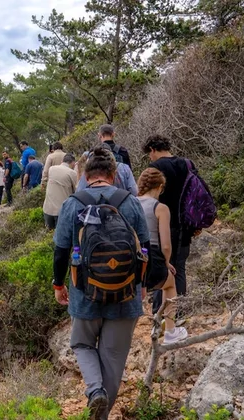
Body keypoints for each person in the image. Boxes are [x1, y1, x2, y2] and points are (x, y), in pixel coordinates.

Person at [52, 145, 150, 419]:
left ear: (84, 173)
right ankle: (102, 413)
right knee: (114, 358)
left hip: (85, 293)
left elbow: (60, 251)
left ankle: (95, 391)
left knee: (82, 344)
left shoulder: (73, 203)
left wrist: (58, 284)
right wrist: (142, 287)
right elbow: (145, 248)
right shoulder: (130, 202)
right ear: (113, 173)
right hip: (126, 293)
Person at [143, 135, 196, 320]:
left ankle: (161, 313)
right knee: (179, 268)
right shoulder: (187, 164)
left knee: (163, 270)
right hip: (185, 225)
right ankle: (179, 312)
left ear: (152, 149)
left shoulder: (155, 168)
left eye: (149, 154)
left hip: (163, 224)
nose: (150, 158)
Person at [137, 168, 189, 344]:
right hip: (152, 256)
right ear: (159, 187)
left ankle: (155, 325)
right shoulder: (160, 208)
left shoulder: (131, 203)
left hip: (132, 256)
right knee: (169, 284)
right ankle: (171, 331)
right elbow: (165, 244)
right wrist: (166, 263)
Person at [43, 153, 78, 229]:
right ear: (73, 163)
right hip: (62, 211)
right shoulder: (72, 173)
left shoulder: (51, 169)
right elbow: (77, 191)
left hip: (48, 209)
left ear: (62, 161)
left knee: (49, 233)